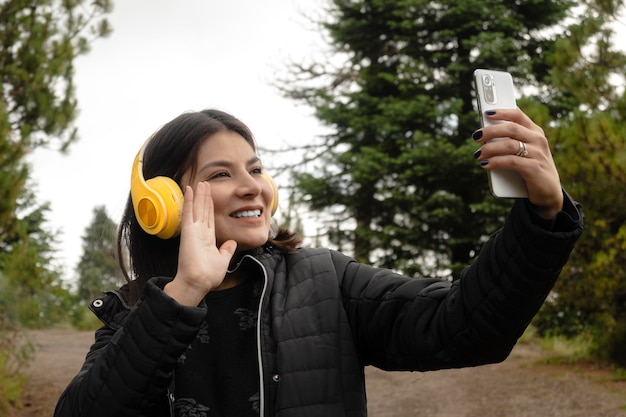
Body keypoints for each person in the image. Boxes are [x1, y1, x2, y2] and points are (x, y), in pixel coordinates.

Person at [54, 107, 583, 417]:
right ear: (163, 204)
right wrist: (185, 291)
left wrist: (541, 216)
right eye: (221, 174)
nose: (251, 186)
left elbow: (463, 328)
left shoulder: (325, 280)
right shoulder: (134, 315)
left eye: (255, 168)